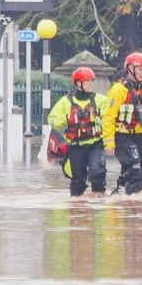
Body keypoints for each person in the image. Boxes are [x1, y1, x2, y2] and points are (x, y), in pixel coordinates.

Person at [102, 52, 142, 194]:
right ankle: (130, 199)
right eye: (140, 69)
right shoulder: (118, 90)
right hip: (124, 135)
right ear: (130, 69)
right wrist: (109, 142)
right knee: (134, 166)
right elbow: (109, 117)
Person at [48, 67, 109, 197]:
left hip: (95, 144)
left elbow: (110, 116)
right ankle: (77, 210)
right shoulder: (66, 101)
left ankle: (99, 203)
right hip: (75, 146)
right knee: (78, 181)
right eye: (87, 81)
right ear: (78, 83)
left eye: (92, 81)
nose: (91, 83)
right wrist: (66, 118)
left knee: (98, 173)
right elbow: (51, 120)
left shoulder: (101, 100)